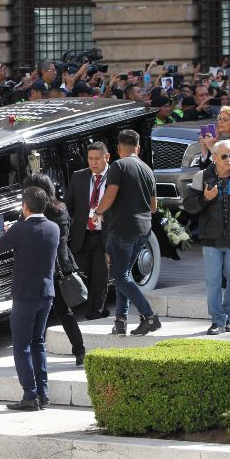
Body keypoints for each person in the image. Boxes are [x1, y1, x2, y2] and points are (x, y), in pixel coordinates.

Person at [0, 187, 59, 410]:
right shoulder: (53, 228)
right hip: (46, 294)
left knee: (22, 346)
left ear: (25, 207)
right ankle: (43, 394)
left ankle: (30, 395)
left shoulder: (20, 229)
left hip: (25, 295)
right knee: (38, 343)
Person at [183, 140, 230, 334]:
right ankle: (217, 320)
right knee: (213, 281)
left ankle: (228, 316)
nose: (229, 160)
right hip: (211, 240)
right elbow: (189, 205)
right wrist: (205, 198)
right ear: (214, 157)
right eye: (224, 156)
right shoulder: (202, 177)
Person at [92, 129, 161, 336]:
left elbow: (111, 194)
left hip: (122, 229)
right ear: (137, 148)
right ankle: (120, 321)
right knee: (125, 274)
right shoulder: (147, 169)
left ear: (119, 148)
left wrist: (98, 211)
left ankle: (149, 316)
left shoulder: (118, 166)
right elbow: (154, 206)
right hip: (144, 230)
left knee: (119, 276)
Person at [26, 173, 85, 366]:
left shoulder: (35, 213)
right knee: (64, 312)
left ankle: (34, 355)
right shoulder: (62, 210)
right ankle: (79, 349)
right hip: (61, 266)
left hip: (41, 269)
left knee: (36, 313)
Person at [65, 141, 111, 321]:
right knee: (83, 275)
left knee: (100, 277)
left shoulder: (116, 176)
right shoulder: (79, 177)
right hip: (82, 235)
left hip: (104, 235)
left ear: (107, 157)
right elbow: (68, 205)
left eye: (97, 159)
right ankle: (100, 309)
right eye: (90, 159)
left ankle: (94, 314)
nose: (93, 163)